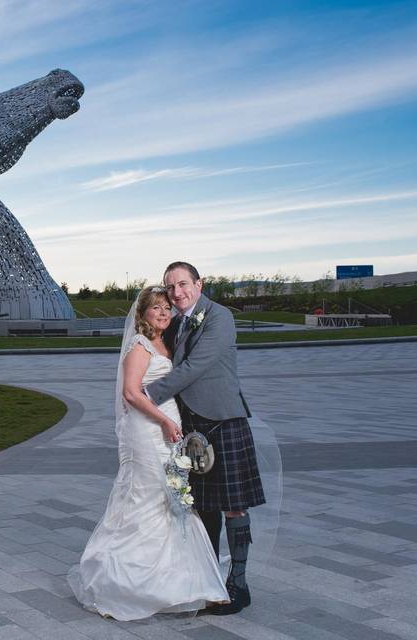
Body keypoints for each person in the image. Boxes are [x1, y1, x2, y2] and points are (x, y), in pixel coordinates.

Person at [68, 286, 229, 621]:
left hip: (167, 430)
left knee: (170, 497)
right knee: (146, 495)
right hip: (146, 429)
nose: (162, 313)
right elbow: (130, 393)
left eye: (166, 308)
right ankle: (121, 580)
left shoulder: (164, 343)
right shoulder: (140, 346)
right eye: (155, 308)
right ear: (142, 314)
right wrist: (164, 422)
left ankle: (176, 580)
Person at [144, 261, 265, 615]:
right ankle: (209, 582)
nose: (177, 292)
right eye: (171, 287)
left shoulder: (219, 316)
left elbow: (196, 366)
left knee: (233, 504)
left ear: (199, 284)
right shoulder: (175, 321)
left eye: (183, 284)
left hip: (223, 421)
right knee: (202, 506)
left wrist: (146, 393)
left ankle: (238, 585)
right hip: (191, 425)